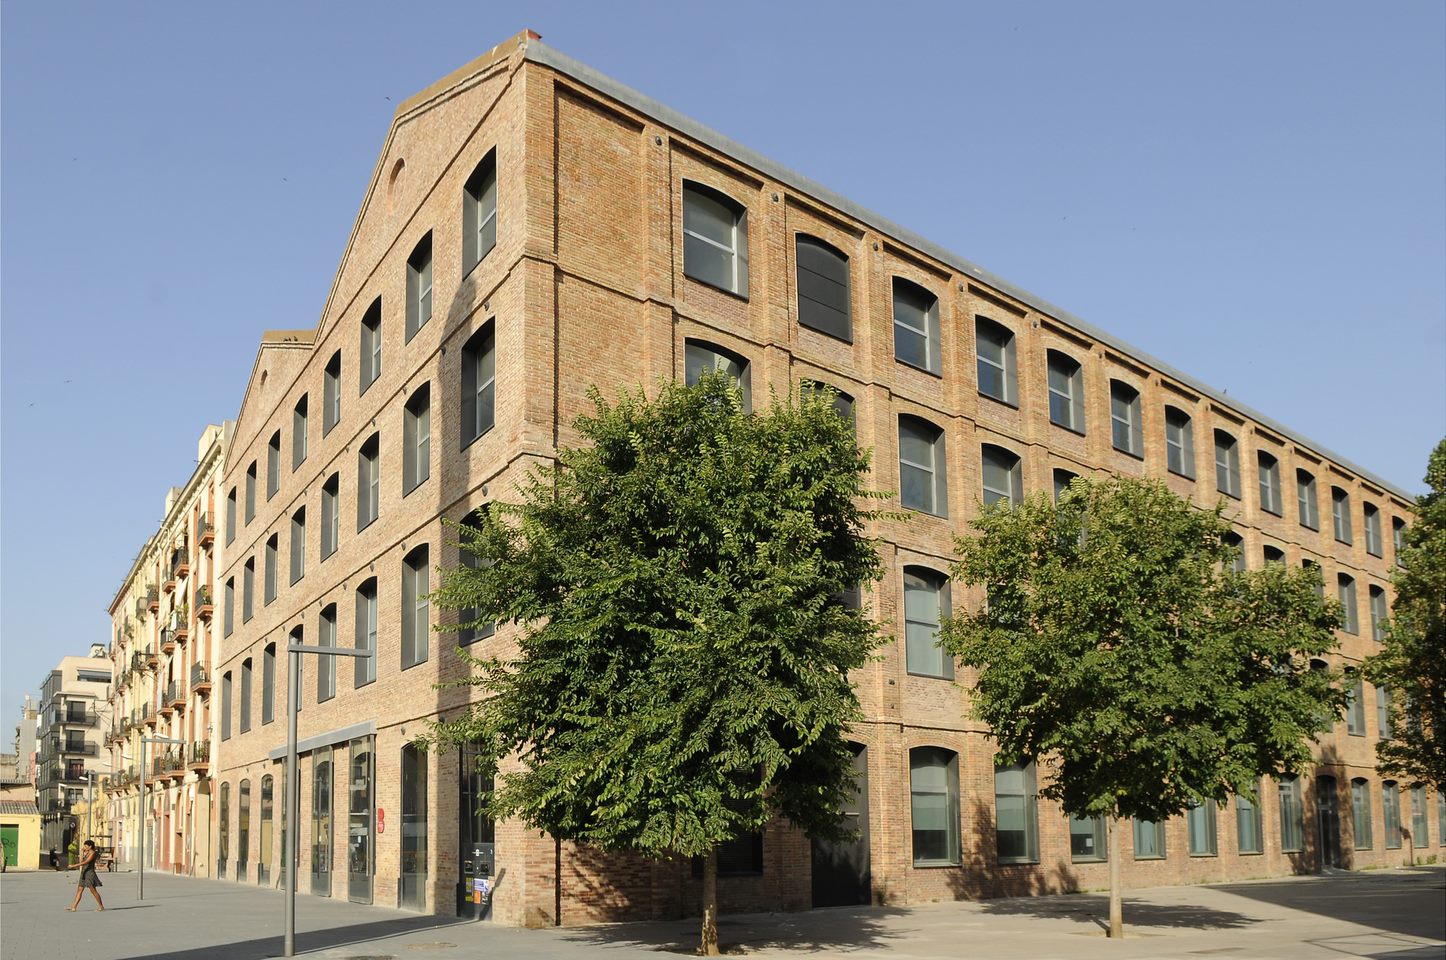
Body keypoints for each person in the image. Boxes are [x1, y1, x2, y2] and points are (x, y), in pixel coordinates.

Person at [67, 840, 104, 912]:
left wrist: (74, 866)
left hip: (89, 874)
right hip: (83, 872)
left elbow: (86, 862)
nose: (84, 847)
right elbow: (81, 861)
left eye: (86, 846)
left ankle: (101, 906)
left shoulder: (92, 853)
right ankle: (73, 907)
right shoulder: (86, 852)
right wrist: (82, 852)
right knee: (79, 890)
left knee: (93, 891)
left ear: (90, 846)